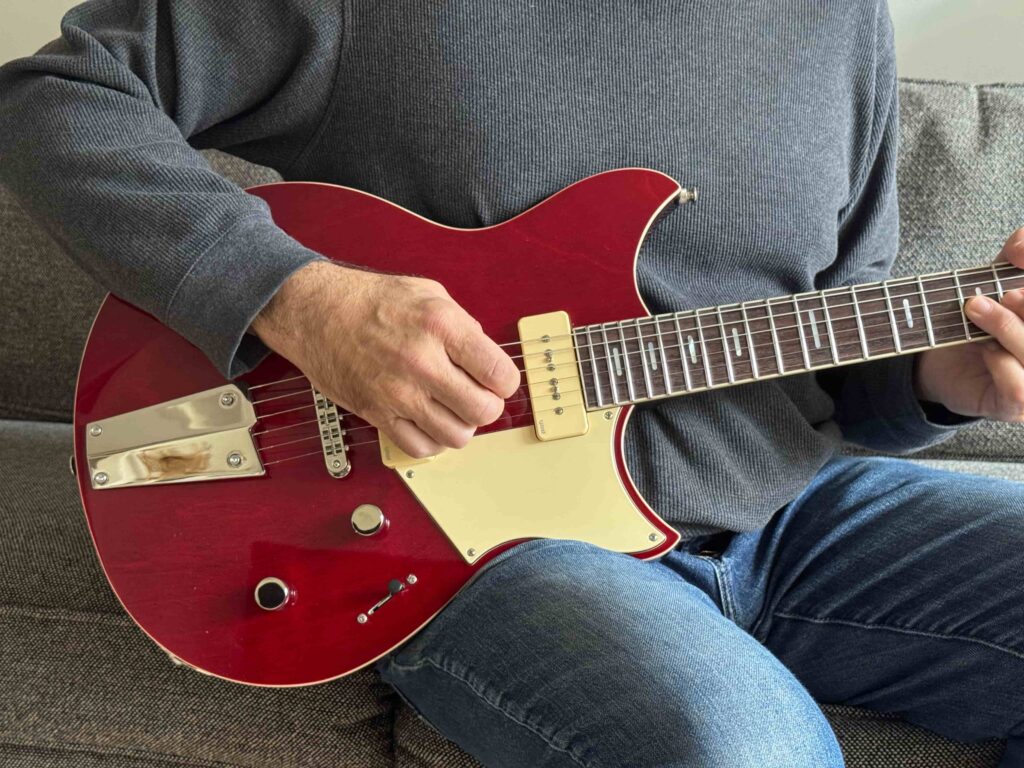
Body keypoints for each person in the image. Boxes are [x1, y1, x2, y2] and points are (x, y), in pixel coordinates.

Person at [2, 2, 1023, 766]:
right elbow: (54, 99)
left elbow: (848, 326)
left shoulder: (834, 17)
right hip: (473, 532)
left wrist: (951, 377)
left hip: (796, 517)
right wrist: (297, 298)